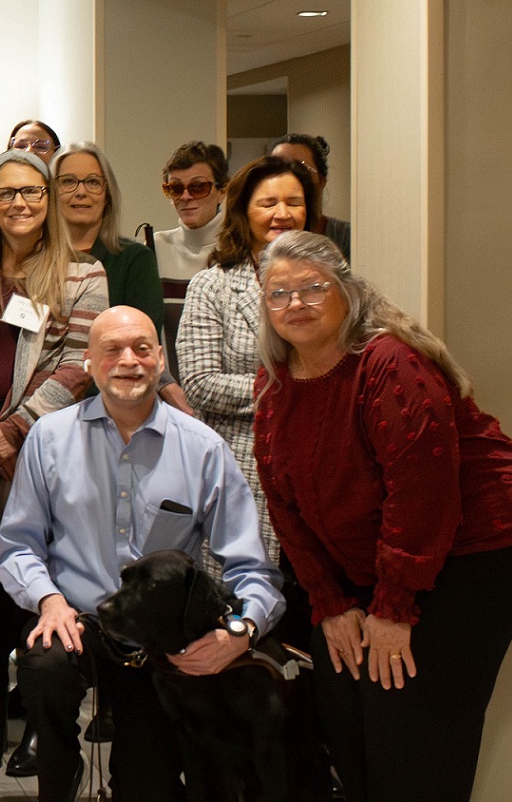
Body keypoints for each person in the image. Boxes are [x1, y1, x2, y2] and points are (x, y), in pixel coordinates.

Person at [253, 233, 512, 802]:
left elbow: (421, 495)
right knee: (341, 680)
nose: (294, 303)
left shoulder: (387, 364)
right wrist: (330, 604)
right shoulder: (274, 385)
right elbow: (285, 505)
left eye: (310, 288)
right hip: (398, 551)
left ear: (346, 293)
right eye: (279, 293)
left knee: (411, 692)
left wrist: (392, 608)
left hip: (492, 540)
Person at [0, 305, 283, 802]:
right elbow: (18, 546)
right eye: (112, 350)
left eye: (142, 348)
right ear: (90, 362)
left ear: (160, 359)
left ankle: (132, 780)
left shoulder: (202, 449)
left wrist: (240, 632)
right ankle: (57, 786)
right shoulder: (49, 439)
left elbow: (253, 568)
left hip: (158, 645)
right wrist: (48, 601)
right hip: (76, 621)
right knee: (45, 663)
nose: (128, 361)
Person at [0, 149, 109, 775]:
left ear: (47, 199)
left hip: (44, 448)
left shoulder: (83, 272)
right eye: (3, 194)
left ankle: (38, 725)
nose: (18, 204)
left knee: (34, 582)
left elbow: (82, 362)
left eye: (30, 192)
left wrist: (16, 428)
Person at [178, 155, 318, 555]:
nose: (282, 214)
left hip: (320, 467)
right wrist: (296, 388)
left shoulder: (333, 283)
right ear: (242, 210)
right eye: (268, 203)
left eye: (294, 202)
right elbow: (202, 384)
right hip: (242, 469)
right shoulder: (213, 286)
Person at [53, 142, 189, 414]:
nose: (81, 192)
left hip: (110, 406)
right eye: (68, 181)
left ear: (107, 194)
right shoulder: (33, 261)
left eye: (93, 182)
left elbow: (137, 348)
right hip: (32, 409)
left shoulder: (135, 260)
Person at [151, 140, 230, 284]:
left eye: (198, 187)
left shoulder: (239, 249)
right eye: (176, 188)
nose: (185, 197)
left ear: (222, 192)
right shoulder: (156, 247)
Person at [270, 133, 351, 259]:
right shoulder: (258, 232)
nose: (288, 178)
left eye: (300, 169)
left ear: (321, 180)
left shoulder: (346, 237)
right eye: (276, 169)